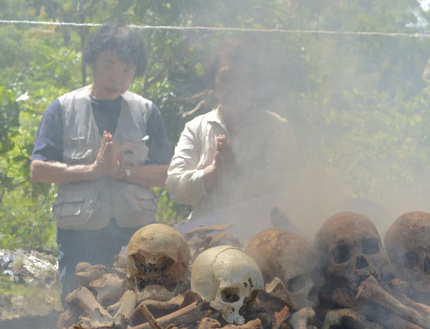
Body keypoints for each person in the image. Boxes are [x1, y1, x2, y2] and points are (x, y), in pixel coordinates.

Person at [30, 22, 172, 301]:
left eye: (126, 70)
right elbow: (39, 169)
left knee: (138, 308)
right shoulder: (63, 108)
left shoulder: (146, 111)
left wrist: (125, 173)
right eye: (110, 66)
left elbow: (165, 174)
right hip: (79, 237)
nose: (118, 77)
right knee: (79, 310)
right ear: (92, 60)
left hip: (135, 236)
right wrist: (92, 170)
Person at [166, 43, 297, 220]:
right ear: (213, 82)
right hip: (205, 236)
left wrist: (235, 170)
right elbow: (175, 189)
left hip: (260, 237)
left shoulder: (276, 126)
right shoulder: (195, 128)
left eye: (241, 78)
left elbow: (287, 186)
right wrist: (214, 172)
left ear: (253, 83)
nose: (233, 86)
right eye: (225, 78)